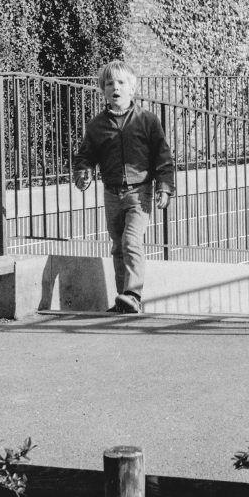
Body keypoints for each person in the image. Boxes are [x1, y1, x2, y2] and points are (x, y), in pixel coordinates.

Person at [73, 60, 174, 315]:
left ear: (132, 89)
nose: (115, 87)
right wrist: (83, 171)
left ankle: (133, 294)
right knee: (118, 245)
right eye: (109, 84)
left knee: (131, 240)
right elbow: (86, 155)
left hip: (139, 192)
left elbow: (163, 157)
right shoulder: (97, 125)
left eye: (121, 83)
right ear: (103, 90)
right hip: (112, 192)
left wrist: (164, 186)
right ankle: (124, 300)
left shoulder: (147, 120)